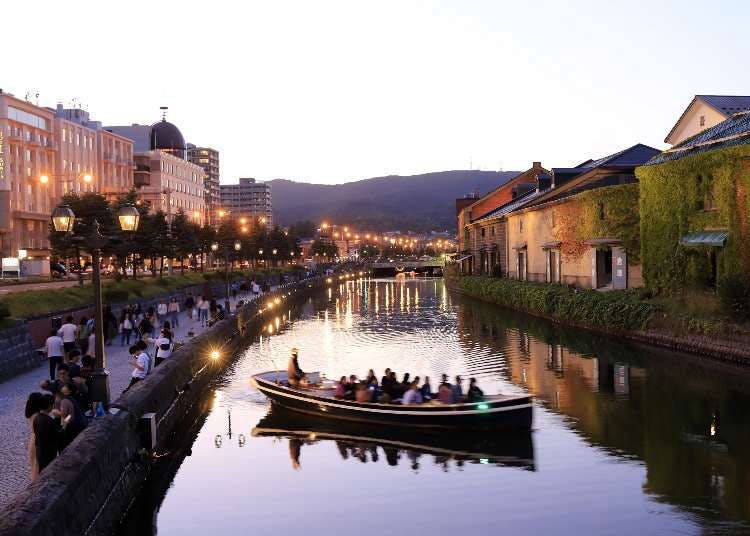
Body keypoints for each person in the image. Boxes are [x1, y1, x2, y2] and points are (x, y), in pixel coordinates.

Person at [33, 394, 59, 475]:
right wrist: (65, 423)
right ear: (49, 406)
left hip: (40, 451)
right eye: (53, 404)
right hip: (49, 453)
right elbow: (58, 435)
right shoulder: (49, 421)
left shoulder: (36, 418)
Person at [57, 383, 87, 449]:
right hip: (82, 423)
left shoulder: (65, 401)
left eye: (65, 386)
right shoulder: (72, 398)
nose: (63, 387)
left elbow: (69, 416)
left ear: (69, 391)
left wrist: (58, 413)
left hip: (76, 426)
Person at [25, 393, 43, 480]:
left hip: (33, 440)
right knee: (36, 464)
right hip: (37, 440)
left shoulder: (32, 413)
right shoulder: (37, 416)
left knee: (35, 463)